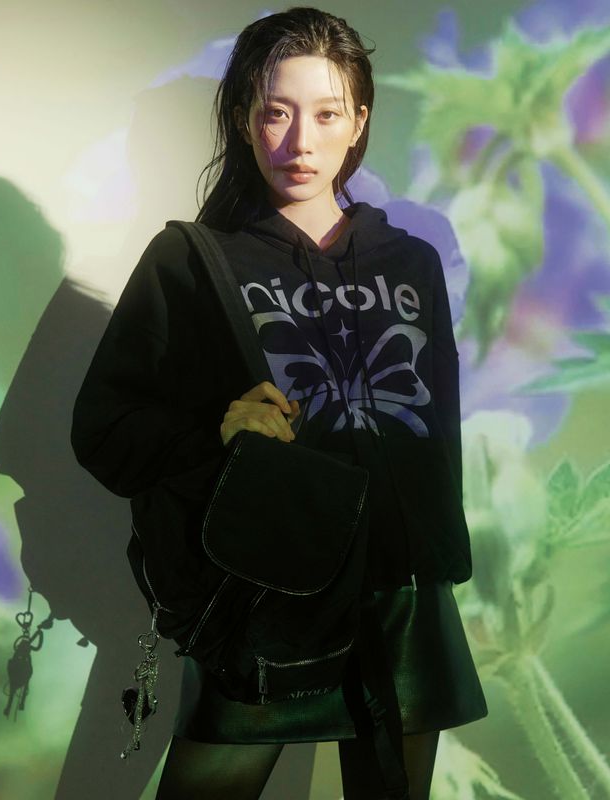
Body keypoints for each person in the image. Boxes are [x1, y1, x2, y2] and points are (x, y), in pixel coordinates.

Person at [71, 7, 488, 799]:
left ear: (358, 121)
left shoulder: (414, 261)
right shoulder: (190, 261)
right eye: (276, 112)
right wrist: (217, 430)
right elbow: (103, 428)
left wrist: (439, 560)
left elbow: (436, 430)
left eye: (327, 114)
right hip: (269, 600)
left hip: (403, 599)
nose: (301, 141)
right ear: (243, 119)